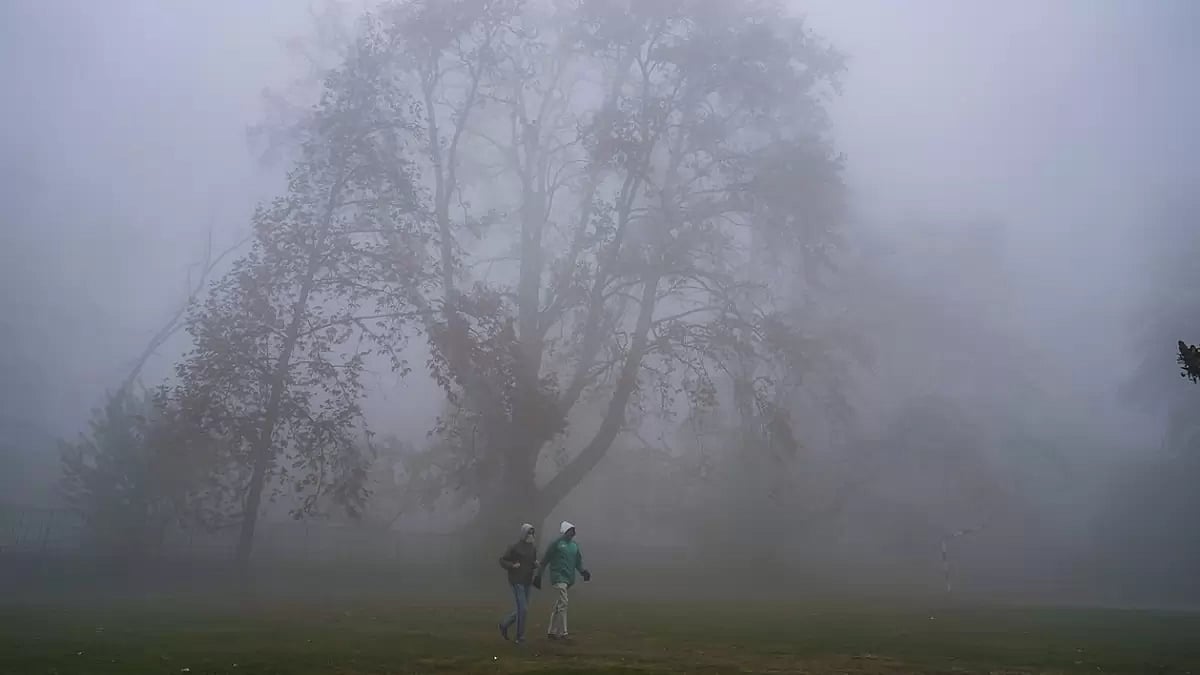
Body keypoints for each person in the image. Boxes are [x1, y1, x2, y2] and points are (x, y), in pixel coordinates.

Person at [536, 520, 591, 642]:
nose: (572, 533)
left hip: (569, 579)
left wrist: (583, 572)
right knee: (564, 603)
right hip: (558, 577)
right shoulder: (556, 544)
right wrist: (539, 575)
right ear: (565, 531)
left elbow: (578, 562)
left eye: (573, 531)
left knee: (559, 605)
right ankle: (563, 633)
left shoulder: (574, 546)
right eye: (570, 531)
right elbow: (545, 560)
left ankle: (551, 632)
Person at [498, 523, 539, 644]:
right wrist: (512, 565)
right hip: (516, 581)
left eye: (532, 533)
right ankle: (520, 637)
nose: (530, 535)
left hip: (527, 581)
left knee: (522, 609)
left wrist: (535, 564)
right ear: (523, 533)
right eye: (528, 532)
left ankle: (504, 624)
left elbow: (531, 562)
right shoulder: (514, 547)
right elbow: (502, 560)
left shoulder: (533, 548)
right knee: (523, 609)